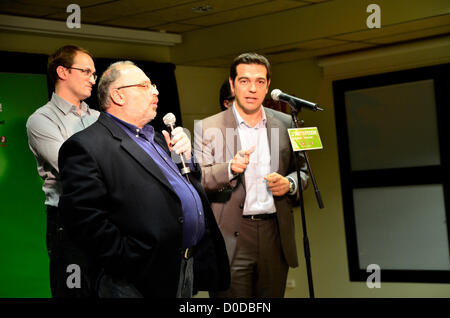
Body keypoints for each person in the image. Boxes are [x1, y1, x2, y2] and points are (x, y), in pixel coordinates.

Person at [58, 61, 230, 298]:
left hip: (182, 266)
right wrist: (130, 259)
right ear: (118, 95)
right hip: (136, 278)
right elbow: (86, 222)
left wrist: (187, 161)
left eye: (154, 85)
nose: (156, 91)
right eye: (144, 85)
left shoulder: (157, 138)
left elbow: (183, 188)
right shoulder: (86, 146)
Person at [194, 52, 309, 298]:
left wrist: (289, 184)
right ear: (233, 84)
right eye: (244, 81)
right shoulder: (208, 127)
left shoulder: (287, 123)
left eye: (259, 81)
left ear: (268, 86)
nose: (252, 88)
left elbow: (304, 172)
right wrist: (228, 169)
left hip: (274, 232)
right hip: (231, 235)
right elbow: (197, 181)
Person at [26, 45, 99, 297]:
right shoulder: (42, 120)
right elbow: (73, 168)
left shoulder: (101, 118)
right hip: (68, 223)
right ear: (62, 72)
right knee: (75, 293)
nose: (92, 79)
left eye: (94, 73)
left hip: (106, 217)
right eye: (86, 71)